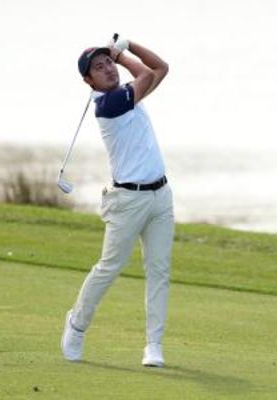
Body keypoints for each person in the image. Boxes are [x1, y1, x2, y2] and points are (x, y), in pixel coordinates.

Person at [60, 35, 173, 368]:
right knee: (109, 267)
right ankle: (76, 324)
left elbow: (161, 68)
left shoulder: (129, 96)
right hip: (127, 201)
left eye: (107, 61)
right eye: (99, 67)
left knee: (159, 270)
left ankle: (154, 345)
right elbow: (147, 74)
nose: (108, 68)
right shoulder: (109, 105)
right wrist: (121, 54)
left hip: (161, 196)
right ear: (88, 81)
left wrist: (130, 45)